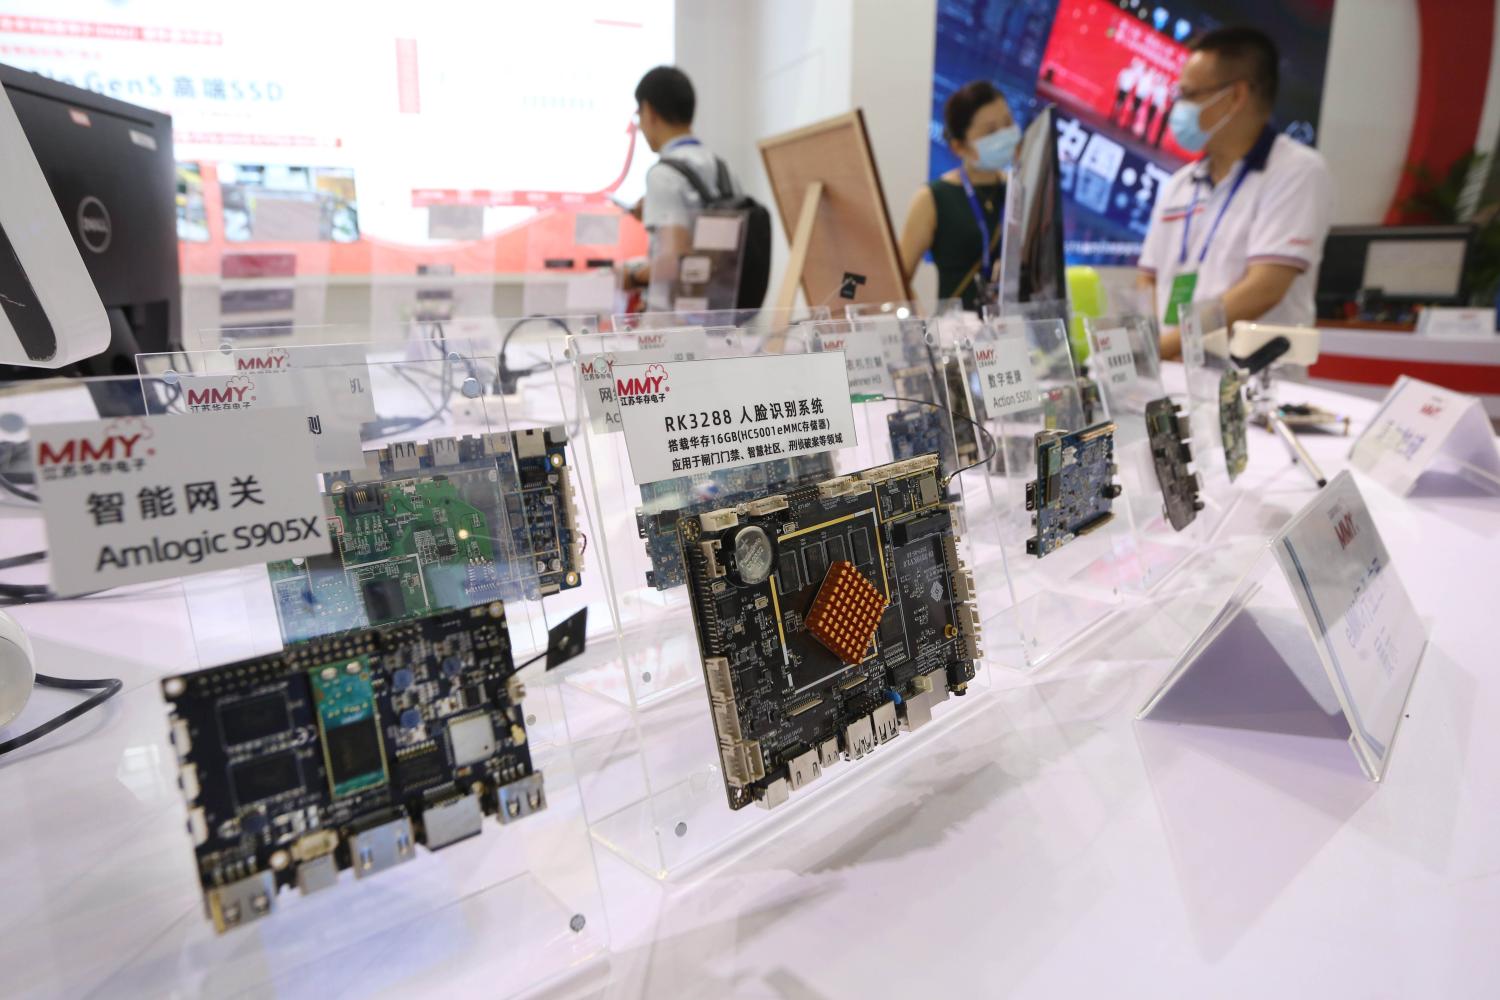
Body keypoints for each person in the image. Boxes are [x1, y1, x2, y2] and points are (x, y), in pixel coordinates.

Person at [1138, 26, 1332, 360]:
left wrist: (1161, 350)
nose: (1178, 107)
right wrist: (1147, 346)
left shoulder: (1296, 171)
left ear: (1235, 96)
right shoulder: (1180, 184)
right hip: (1172, 373)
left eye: (1189, 95)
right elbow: (1148, 279)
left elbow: (1264, 289)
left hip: (1251, 386)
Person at [622, 66, 742, 309]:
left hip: (676, 326)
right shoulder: (723, 170)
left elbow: (675, 260)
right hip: (723, 314)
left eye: (639, 116)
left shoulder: (662, 175)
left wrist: (631, 277)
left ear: (649, 111)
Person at [899, 81, 1020, 311]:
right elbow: (898, 277)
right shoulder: (933, 198)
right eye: (991, 131)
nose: (1005, 135)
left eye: (1008, 123)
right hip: (955, 337)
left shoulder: (1019, 190)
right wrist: (924, 329)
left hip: (1013, 334)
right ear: (959, 146)